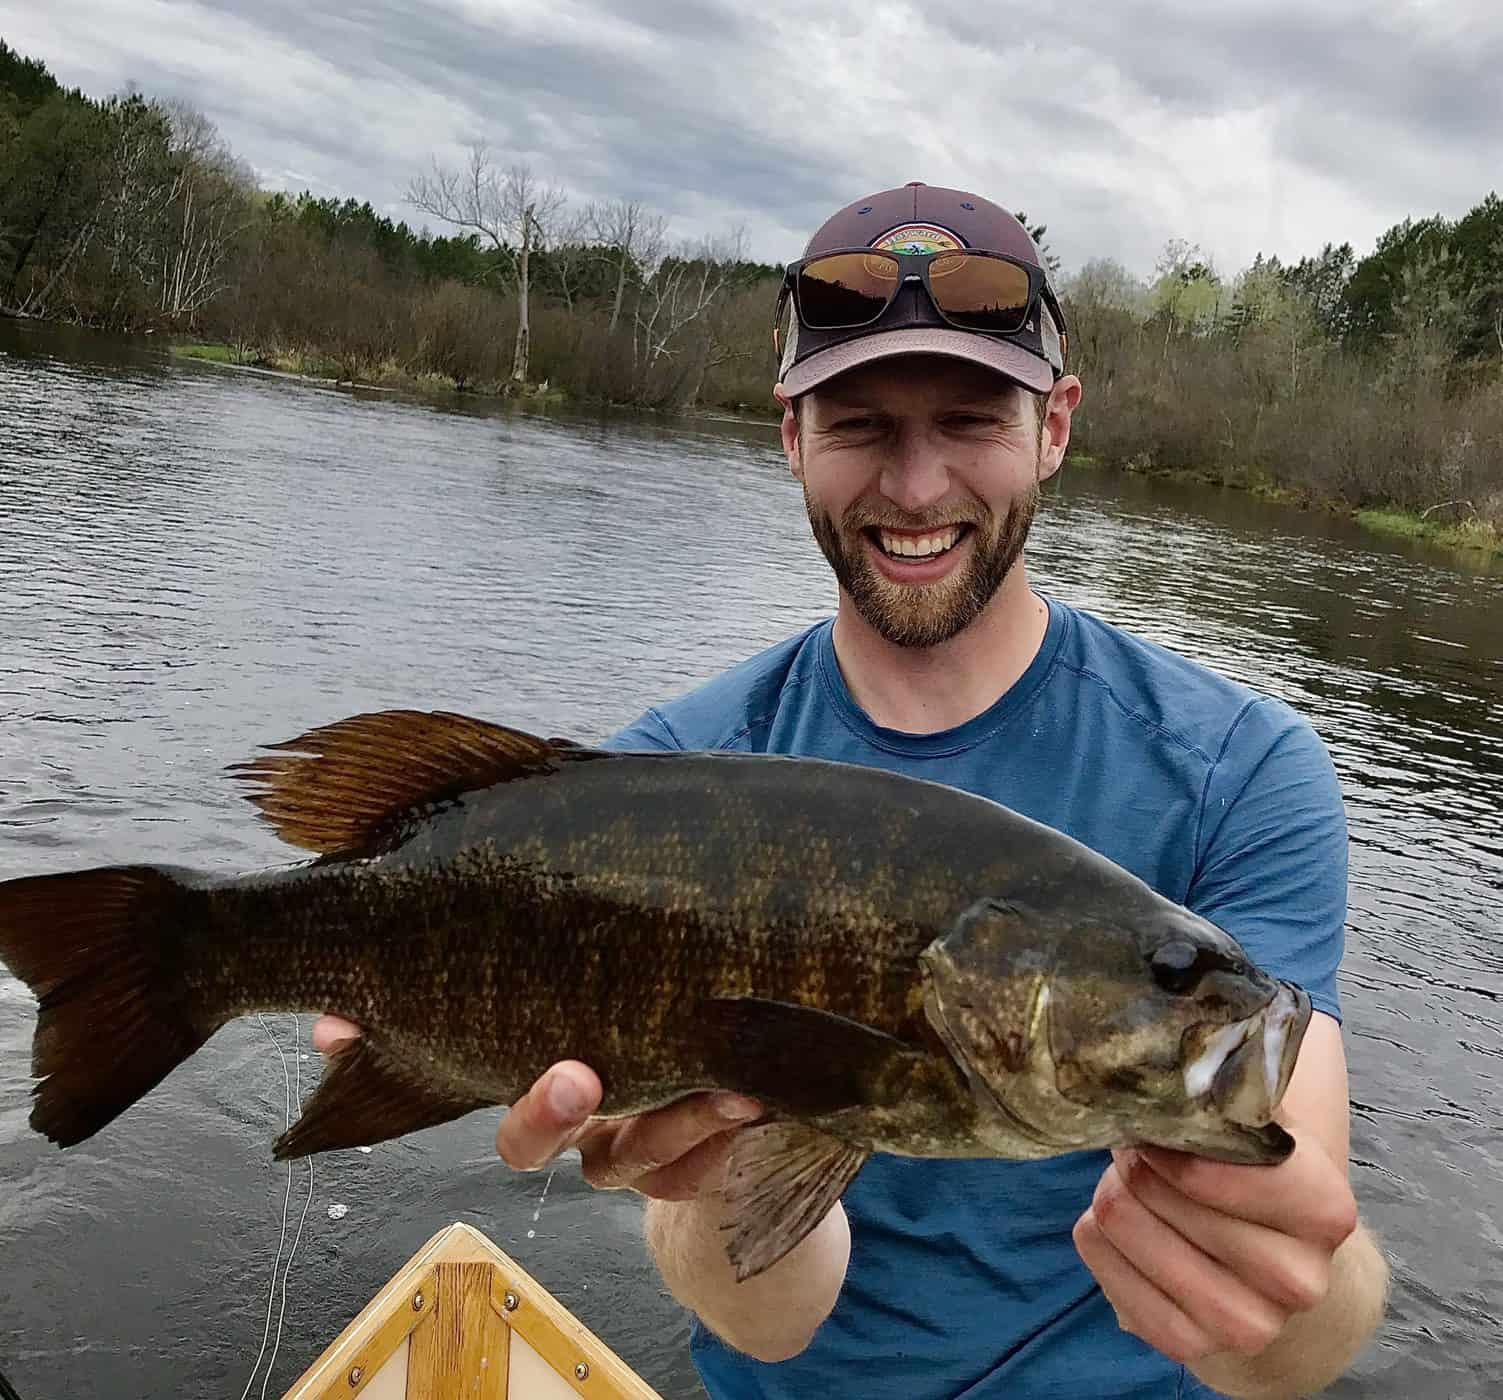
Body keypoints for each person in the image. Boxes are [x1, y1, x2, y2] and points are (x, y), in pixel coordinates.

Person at [315, 182, 1389, 1397]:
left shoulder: (1242, 773)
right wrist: (720, 1164)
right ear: (791, 437)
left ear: (1056, 427)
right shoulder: (667, 770)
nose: (918, 486)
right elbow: (770, 1325)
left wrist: (1292, 1279)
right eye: (863, 425)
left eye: (973, 419)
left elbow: (1295, 1340)